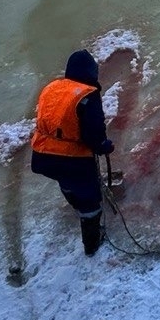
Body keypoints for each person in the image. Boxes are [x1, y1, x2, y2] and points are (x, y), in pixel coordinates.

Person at [30, 49, 115, 256]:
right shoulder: (88, 95)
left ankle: (75, 202)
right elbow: (93, 134)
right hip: (71, 159)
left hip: (41, 155)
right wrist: (104, 146)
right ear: (90, 72)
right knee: (90, 198)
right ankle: (92, 243)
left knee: (67, 182)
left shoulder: (52, 87)